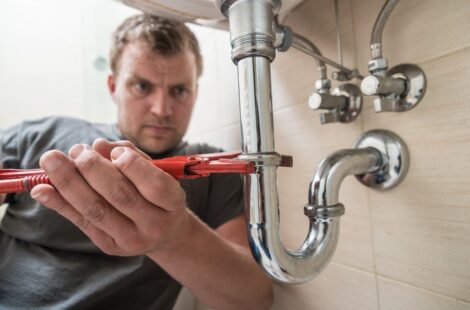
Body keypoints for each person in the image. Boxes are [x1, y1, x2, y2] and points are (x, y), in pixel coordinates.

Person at [0, 14, 273, 309]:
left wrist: (175, 237)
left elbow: (252, 300)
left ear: (195, 92)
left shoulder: (215, 170)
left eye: (179, 90)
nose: (162, 109)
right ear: (113, 85)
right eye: (142, 86)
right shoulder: (39, 135)